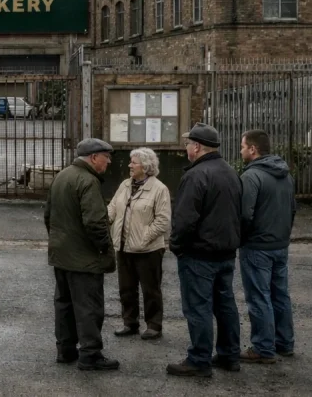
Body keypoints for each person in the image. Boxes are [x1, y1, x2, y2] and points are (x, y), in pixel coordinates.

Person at [166, 123, 243, 378]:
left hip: (199, 254)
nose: (186, 148)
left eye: (188, 144)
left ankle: (199, 360)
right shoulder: (230, 172)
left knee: (198, 307)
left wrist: (177, 246)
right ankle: (230, 354)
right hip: (226, 252)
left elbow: (185, 218)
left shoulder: (196, 175)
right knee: (225, 305)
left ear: (196, 147)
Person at [43, 138, 119, 371]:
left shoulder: (63, 176)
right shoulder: (88, 181)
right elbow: (96, 223)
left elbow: (48, 215)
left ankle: (65, 350)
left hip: (62, 254)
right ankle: (90, 354)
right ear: (94, 157)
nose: (108, 163)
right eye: (106, 158)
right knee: (89, 307)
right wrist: (104, 247)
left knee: (64, 304)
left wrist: (60, 241)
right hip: (84, 259)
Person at [238, 129, 297, 363]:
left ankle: (263, 348)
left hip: (257, 246)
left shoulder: (251, 177)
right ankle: (285, 342)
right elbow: (292, 209)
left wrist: (242, 239)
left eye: (243, 146)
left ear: (253, 149)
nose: (241, 150)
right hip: (280, 244)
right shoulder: (286, 175)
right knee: (280, 294)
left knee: (259, 296)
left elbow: (244, 214)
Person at [107, 147, 171, 340]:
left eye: (133, 162)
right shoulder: (125, 185)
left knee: (150, 289)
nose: (130, 165)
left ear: (146, 166)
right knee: (126, 288)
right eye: (131, 162)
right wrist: (106, 220)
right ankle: (130, 323)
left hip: (148, 249)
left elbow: (163, 220)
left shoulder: (159, 189)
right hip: (124, 246)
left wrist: (143, 238)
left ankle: (154, 325)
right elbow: (113, 207)